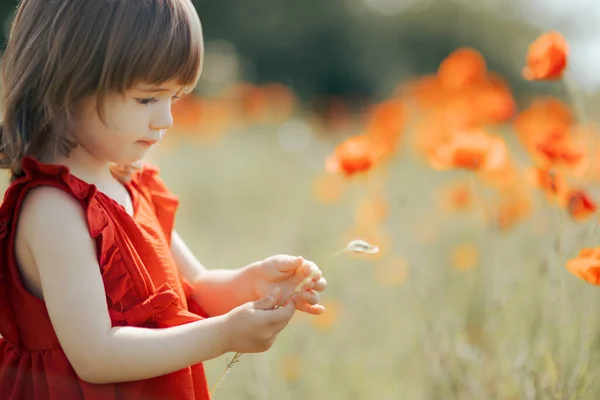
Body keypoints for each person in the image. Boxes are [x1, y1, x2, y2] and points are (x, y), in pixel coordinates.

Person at [0, 0, 327, 399]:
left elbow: (197, 286)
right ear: (68, 83)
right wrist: (223, 335)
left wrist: (254, 283)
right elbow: (96, 354)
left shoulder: (133, 187)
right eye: (147, 99)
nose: (166, 119)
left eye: (175, 97)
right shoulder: (53, 211)